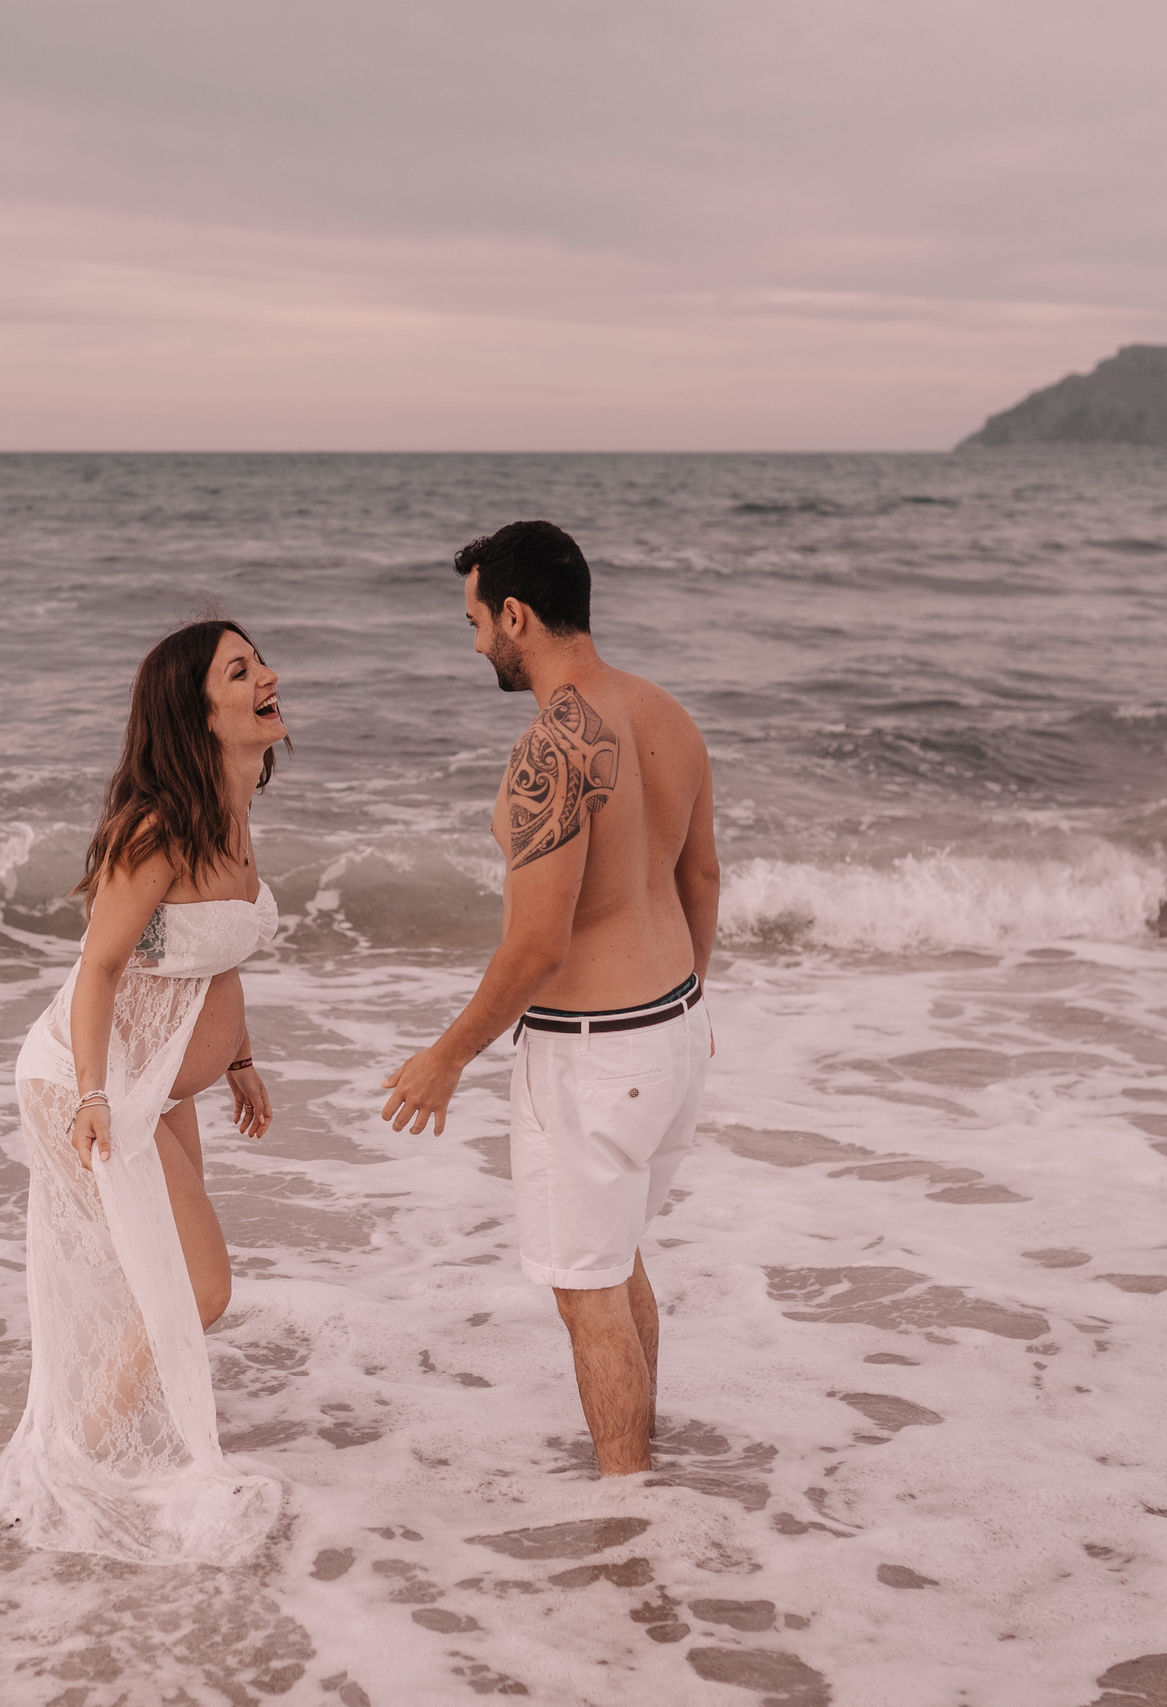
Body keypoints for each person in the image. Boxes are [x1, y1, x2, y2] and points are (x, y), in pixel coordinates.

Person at [381, 521, 719, 1476]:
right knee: (612, 1265)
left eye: (477, 619)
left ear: (517, 616)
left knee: (586, 1292)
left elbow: (537, 944)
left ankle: (629, 1518)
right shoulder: (668, 715)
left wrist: (446, 1055)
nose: (476, 640)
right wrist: (692, 1008)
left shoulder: (550, 751)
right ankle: (649, 1479)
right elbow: (702, 879)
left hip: (593, 1052)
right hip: (674, 1029)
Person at [0, 619, 288, 1564]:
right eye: (240, 670)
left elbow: (206, 958)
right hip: (99, 1087)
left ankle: (100, 1435)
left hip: (163, 1089)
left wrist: (237, 1058)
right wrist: (91, 1095)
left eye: (259, 660)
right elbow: (103, 968)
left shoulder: (230, 813)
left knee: (167, 1287)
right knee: (197, 1285)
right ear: (194, 711)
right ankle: (81, 1452)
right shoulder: (155, 828)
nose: (269, 676)